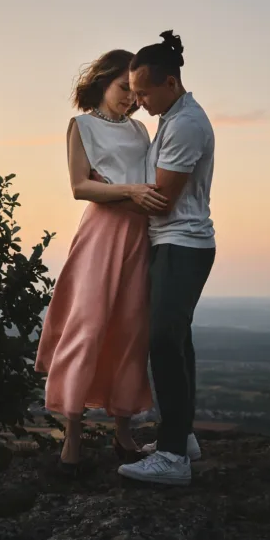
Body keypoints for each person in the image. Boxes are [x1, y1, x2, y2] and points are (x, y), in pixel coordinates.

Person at [34, 49, 168, 477]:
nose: (131, 99)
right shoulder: (82, 126)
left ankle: (123, 432)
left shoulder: (142, 130)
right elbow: (80, 186)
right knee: (87, 325)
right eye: (123, 89)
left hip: (139, 236)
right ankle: (72, 437)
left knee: (130, 330)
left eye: (135, 92)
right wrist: (130, 191)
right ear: (104, 81)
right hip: (100, 236)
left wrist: (138, 195)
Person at [117, 31, 216, 487]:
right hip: (172, 243)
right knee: (178, 341)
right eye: (133, 92)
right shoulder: (171, 118)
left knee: (162, 342)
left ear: (170, 83)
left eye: (143, 91)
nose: (137, 101)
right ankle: (185, 437)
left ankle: (173, 457)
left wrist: (110, 195)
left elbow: (163, 199)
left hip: (182, 243)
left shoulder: (185, 124)